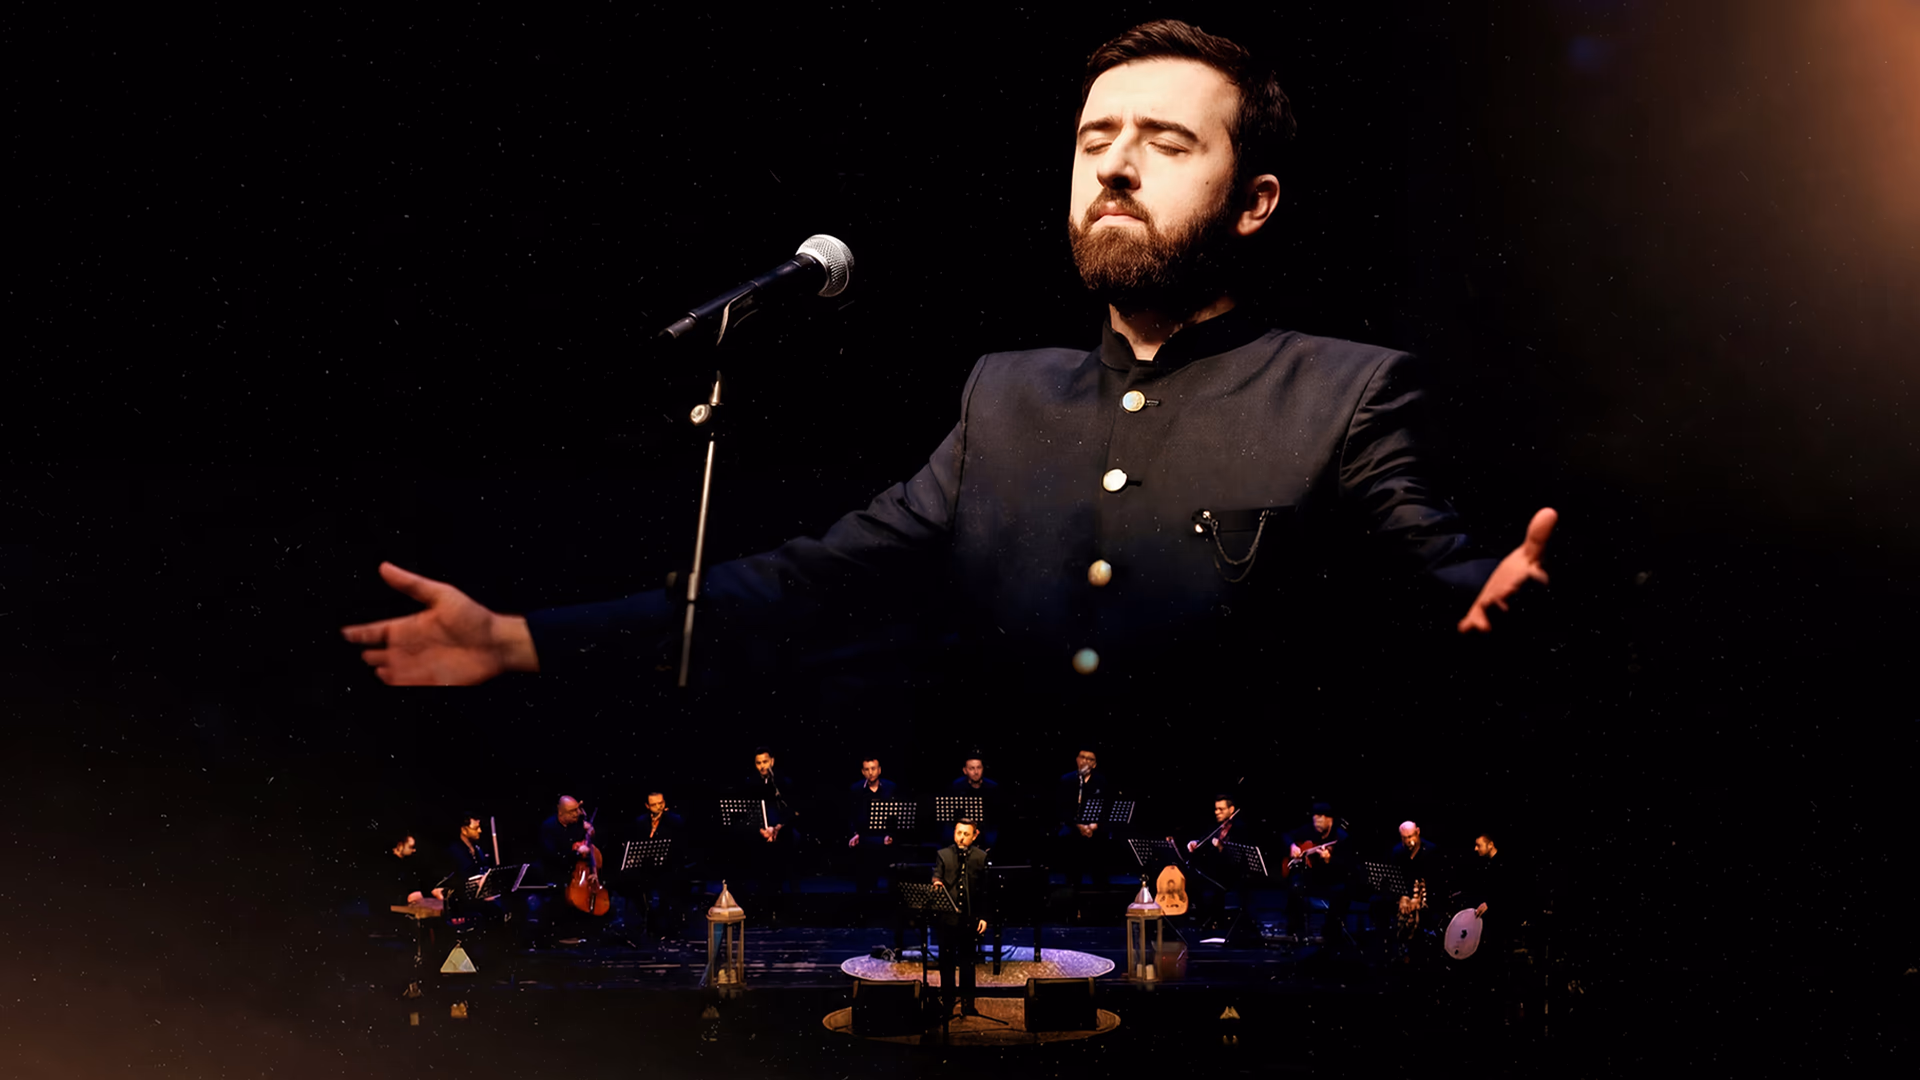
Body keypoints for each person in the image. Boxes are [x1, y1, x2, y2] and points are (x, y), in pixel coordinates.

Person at [339, 21, 1555, 728]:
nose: (1115, 166)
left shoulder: (1348, 390)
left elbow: (1436, 563)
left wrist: (1487, 599)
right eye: (1094, 139)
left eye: (1166, 142)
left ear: (1255, 202)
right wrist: (522, 638)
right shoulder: (1004, 397)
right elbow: (812, 580)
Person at [929, 819, 992, 1018]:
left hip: (969, 919)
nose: (961, 838)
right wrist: (936, 883)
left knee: (967, 962)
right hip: (947, 919)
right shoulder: (944, 854)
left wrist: (983, 917)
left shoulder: (980, 857)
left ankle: (968, 1004)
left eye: (966, 834)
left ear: (974, 836)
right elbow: (937, 875)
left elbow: (985, 891)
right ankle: (947, 1002)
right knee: (946, 963)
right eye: (958, 833)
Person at [535, 795, 600, 946]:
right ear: (561, 813)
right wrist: (576, 853)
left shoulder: (577, 824)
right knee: (561, 895)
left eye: (577, 810)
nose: (577, 814)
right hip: (555, 870)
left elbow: (589, 843)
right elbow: (552, 856)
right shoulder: (549, 827)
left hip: (576, 871)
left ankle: (584, 931)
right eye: (572, 811)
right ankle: (560, 935)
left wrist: (590, 832)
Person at [1283, 803, 1351, 948]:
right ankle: (1296, 933)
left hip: (1332, 878)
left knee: (1341, 891)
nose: (1316, 826)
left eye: (1319, 821)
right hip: (1312, 875)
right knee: (1295, 886)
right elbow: (1287, 835)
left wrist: (1329, 860)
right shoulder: (1310, 829)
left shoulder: (1341, 837)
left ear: (1329, 819)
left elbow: (1346, 866)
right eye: (1314, 821)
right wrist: (1292, 846)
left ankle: (1331, 934)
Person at [744, 747, 800, 920]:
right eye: (758, 763)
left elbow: (791, 810)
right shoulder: (751, 784)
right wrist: (761, 830)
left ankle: (789, 908)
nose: (762, 766)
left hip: (781, 829)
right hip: (761, 831)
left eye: (765, 762)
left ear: (772, 761)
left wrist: (777, 828)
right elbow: (748, 812)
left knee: (788, 849)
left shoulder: (783, 782)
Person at [624, 792, 687, 941]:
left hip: (668, 866)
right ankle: (643, 925)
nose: (659, 807)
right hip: (646, 867)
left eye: (661, 803)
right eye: (654, 805)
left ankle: (664, 927)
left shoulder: (674, 821)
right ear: (647, 806)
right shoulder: (640, 822)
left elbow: (679, 848)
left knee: (665, 888)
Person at [1056, 748, 1112, 916]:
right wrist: (1078, 825)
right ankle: (1071, 908)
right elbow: (1061, 809)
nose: (1085, 761)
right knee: (1071, 857)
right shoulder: (1066, 780)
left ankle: (1101, 910)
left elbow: (1106, 808)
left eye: (1089, 759)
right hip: (1074, 829)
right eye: (1082, 757)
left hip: (1095, 830)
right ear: (1077, 759)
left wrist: (1094, 825)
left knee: (1100, 860)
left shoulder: (1101, 781)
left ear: (1094, 764)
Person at [845, 757, 899, 921]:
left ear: (879, 770)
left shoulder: (890, 788)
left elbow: (897, 816)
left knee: (893, 865)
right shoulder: (856, 789)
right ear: (863, 772)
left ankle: (892, 911)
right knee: (863, 867)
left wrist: (891, 835)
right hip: (864, 836)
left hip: (885, 836)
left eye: (873, 768)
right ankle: (863, 912)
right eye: (867, 769)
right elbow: (850, 816)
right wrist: (854, 833)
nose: (871, 772)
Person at [947, 755, 1000, 849]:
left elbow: (996, 816)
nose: (976, 772)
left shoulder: (992, 787)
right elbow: (952, 814)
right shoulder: (957, 787)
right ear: (965, 770)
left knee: (991, 838)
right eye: (972, 768)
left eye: (979, 768)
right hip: (963, 824)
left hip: (986, 826)